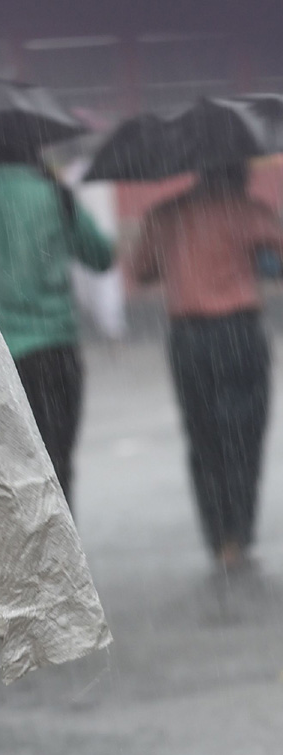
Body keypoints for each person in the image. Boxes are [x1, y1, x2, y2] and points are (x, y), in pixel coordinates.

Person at [0, 146, 113, 507]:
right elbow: (101, 256)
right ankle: (62, 556)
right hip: (55, 351)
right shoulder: (54, 194)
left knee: (8, 468)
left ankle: (23, 557)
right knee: (58, 460)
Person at [132, 162, 283, 572]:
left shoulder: (165, 213)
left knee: (203, 435)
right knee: (245, 432)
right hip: (238, 332)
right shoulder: (246, 209)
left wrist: (182, 260)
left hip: (190, 338)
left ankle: (219, 539)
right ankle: (240, 529)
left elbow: (140, 272)